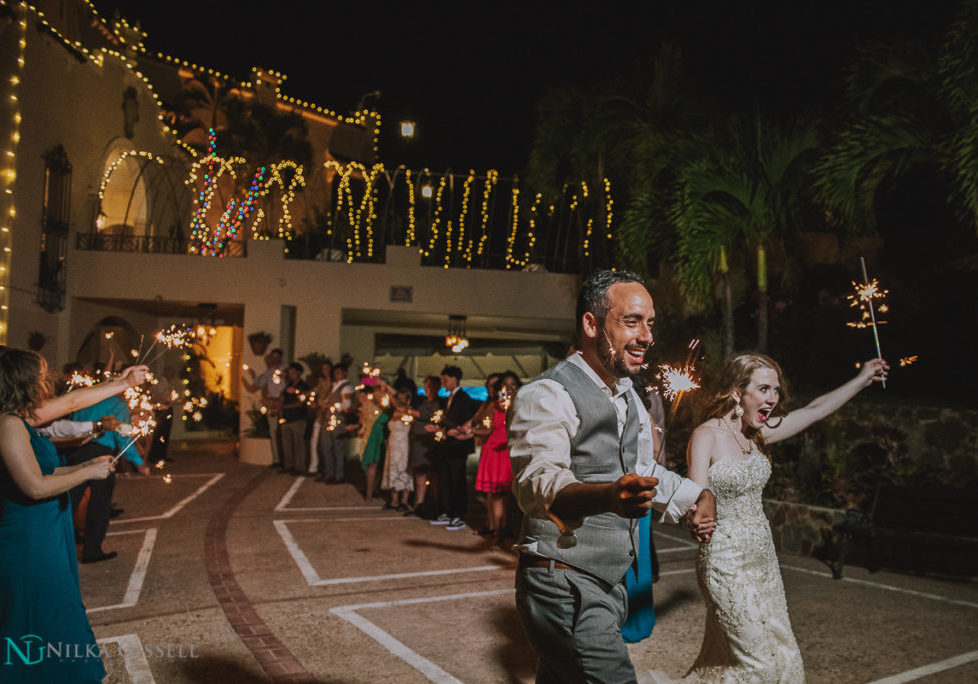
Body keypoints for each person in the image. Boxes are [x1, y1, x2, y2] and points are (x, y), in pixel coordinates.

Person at [508, 270, 717, 683]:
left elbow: (640, 470)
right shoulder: (547, 393)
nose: (646, 336)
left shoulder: (627, 395)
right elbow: (537, 485)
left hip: (608, 581)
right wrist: (606, 497)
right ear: (591, 325)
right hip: (563, 581)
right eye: (631, 321)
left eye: (650, 324)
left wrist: (696, 495)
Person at [682, 352, 888, 682]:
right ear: (738, 391)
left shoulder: (759, 434)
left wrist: (862, 378)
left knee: (782, 654)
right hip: (725, 562)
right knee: (757, 663)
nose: (773, 399)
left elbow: (815, 410)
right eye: (764, 389)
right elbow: (693, 496)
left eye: (776, 391)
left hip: (763, 561)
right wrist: (695, 518)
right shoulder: (707, 435)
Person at [0, 346, 148, 682]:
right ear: (20, 381)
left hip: (48, 530)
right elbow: (34, 487)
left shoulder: (20, 418)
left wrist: (122, 383)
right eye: (39, 375)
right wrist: (87, 474)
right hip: (29, 539)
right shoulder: (7, 424)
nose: (46, 380)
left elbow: (70, 404)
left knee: (58, 610)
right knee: (37, 616)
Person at [468, 371, 520, 546]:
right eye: (506, 385)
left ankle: (505, 528)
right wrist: (470, 431)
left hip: (511, 453)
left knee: (510, 496)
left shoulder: (521, 405)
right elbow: (485, 427)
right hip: (495, 451)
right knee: (497, 494)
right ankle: (498, 531)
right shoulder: (495, 405)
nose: (510, 387)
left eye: (513, 384)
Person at [427, 365, 480, 531]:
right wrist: (439, 429)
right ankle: (448, 512)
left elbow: (466, 421)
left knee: (457, 481)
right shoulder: (447, 399)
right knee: (445, 480)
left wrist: (453, 430)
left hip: (458, 446)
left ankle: (459, 515)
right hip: (447, 446)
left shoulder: (464, 398)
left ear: (455, 379)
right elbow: (446, 422)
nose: (443, 382)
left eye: (446, 379)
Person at [405, 375, 442, 517]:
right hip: (418, 442)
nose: (426, 388)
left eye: (429, 386)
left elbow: (422, 414)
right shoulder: (424, 401)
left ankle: (434, 503)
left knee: (432, 475)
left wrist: (408, 411)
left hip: (428, 444)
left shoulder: (437, 403)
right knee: (419, 473)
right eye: (425, 385)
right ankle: (418, 503)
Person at [244, 348, 286, 468]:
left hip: (282, 403)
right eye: (273, 357)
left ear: (281, 358)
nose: (275, 359)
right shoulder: (269, 371)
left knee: (283, 432)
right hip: (271, 403)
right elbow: (259, 383)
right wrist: (252, 376)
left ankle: (286, 459)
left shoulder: (285, 370)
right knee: (273, 431)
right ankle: (277, 459)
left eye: (277, 357)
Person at [313, 363, 355, 483]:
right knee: (325, 447)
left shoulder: (347, 387)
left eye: (339, 372)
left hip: (338, 419)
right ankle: (329, 473)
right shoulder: (333, 386)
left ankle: (339, 475)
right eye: (335, 373)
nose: (336, 375)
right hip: (327, 419)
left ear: (345, 373)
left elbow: (347, 404)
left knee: (338, 448)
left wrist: (330, 406)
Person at [380, 388, 414, 510]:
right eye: (398, 398)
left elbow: (400, 411)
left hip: (403, 445)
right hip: (392, 444)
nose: (399, 401)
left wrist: (390, 393)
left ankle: (404, 500)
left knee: (403, 469)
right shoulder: (394, 411)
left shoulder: (408, 412)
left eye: (402, 399)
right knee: (392, 469)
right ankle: (394, 500)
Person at [279, 362, 310, 475]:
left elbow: (301, 403)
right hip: (286, 419)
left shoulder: (303, 386)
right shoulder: (288, 385)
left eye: (293, 373)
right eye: (289, 373)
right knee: (286, 444)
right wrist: (280, 412)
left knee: (298, 444)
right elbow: (282, 398)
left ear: (299, 373)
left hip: (298, 419)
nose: (291, 375)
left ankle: (300, 467)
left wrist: (284, 406)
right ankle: (288, 465)